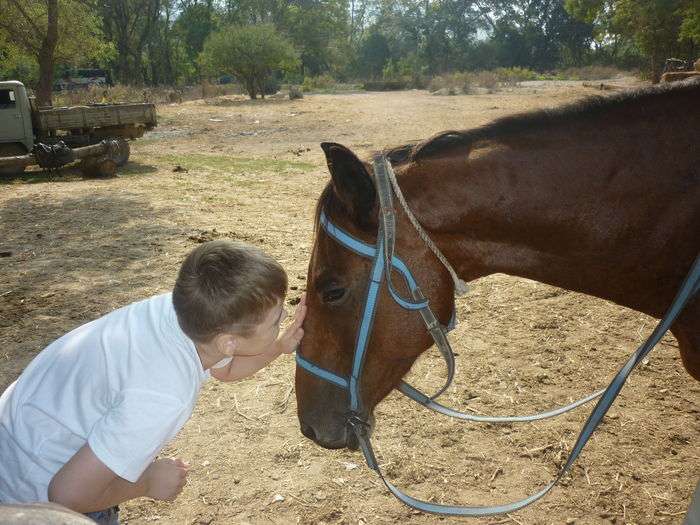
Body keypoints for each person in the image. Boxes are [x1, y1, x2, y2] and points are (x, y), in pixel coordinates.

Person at [0, 240, 306, 524]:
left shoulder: (186, 313)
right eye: (276, 320)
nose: (284, 318)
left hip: (20, 431)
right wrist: (146, 481)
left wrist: (277, 345)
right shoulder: (163, 394)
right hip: (30, 496)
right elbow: (67, 495)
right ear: (228, 342)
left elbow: (224, 369)